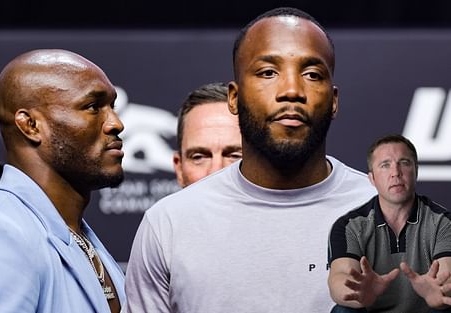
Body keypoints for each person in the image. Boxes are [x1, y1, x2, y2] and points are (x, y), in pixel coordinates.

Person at [124, 7, 376, 312]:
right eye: (268, 72)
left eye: (312, 74)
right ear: (234, 97)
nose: (292, 91)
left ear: (334, 100)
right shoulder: (169, 224)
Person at [0, 49, 126, 313]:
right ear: (31, 125)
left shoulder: (75, 233)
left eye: (111, 106)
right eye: (92, 107)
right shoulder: (0, 235)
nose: (116, 123)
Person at [328, 134, 451, 313]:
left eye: (404, 163)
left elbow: (447, 274)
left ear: (416, 170)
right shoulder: (349, 226)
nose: (396, 172)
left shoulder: (442, 221)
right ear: (372, 178)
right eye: (385, 165)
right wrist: (357, 293)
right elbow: (339, 278)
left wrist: (439, 294)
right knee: (343, 310)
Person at [173, 82, 242, 187]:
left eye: (235, 156)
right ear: (179, 169)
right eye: (199, 157)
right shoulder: (163, 204)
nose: (215, 172)